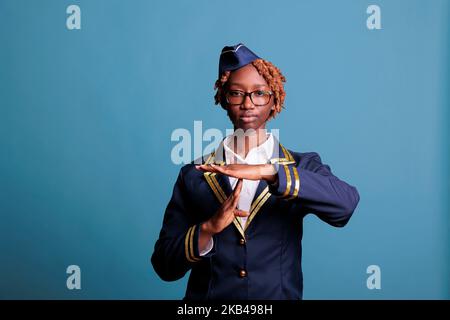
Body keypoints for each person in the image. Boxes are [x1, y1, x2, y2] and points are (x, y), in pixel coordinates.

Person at [151, 43, 360, 300]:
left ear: (275, 100)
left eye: (259, 93)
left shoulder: (300, 166)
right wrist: (208, 228)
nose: (248, 104)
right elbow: (164, 265)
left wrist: (271, 172)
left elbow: (346, 204)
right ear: (223, 100)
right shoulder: (193, 175)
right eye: (237, 93)